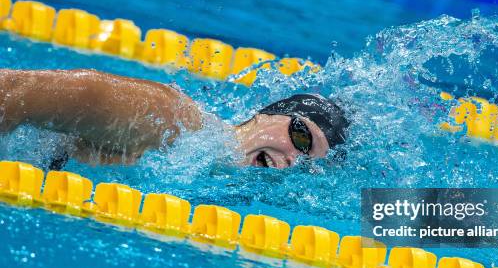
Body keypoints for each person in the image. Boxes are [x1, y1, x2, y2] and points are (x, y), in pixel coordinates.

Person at [0, 69, 349, 169]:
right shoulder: (173, 120)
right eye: (301, 137)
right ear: (266, 115)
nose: (292, 160)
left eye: (307, 162)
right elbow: (15, 91)